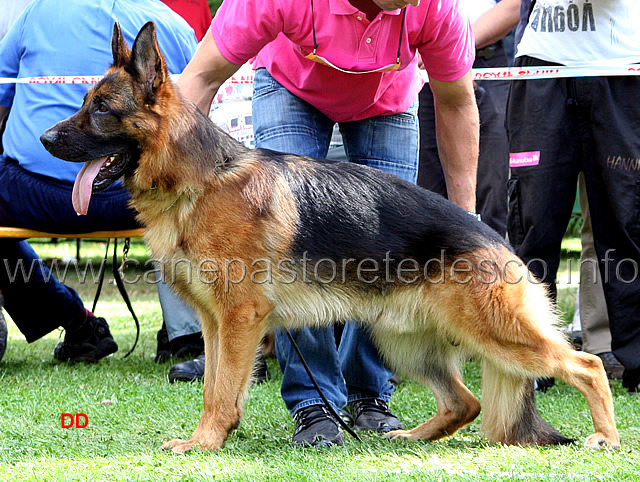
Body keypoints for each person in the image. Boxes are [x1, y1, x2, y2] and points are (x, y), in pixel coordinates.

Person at [175, 0, 479, 446]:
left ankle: (370, 394)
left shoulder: (435, 6)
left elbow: (455, 101)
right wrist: (179, 177)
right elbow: (200, 78)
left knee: (389, 251)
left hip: (386, 99)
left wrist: (466, 219)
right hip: (290, 90)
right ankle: (313, 402)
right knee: (290, 249)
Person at [0, 0, 198, 362]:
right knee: (185, 194)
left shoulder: (38, 12)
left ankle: (76, 323)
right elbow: (197, 105)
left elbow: (1, 98)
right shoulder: (175, 24)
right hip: (138, 203)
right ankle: (186, 335)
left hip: (36, 195)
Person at [507, 0, 640, 393]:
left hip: (621, 68)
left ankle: (636, 361)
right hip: (542, 67)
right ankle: (530, 359)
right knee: (534, 224)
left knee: (628, 222)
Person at [418, 0, 520, 237]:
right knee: (424, 193)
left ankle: (488, 266)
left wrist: (453, 49)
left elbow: (515, 5)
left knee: (492, 190)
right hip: (420, 62)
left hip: (485, 60)